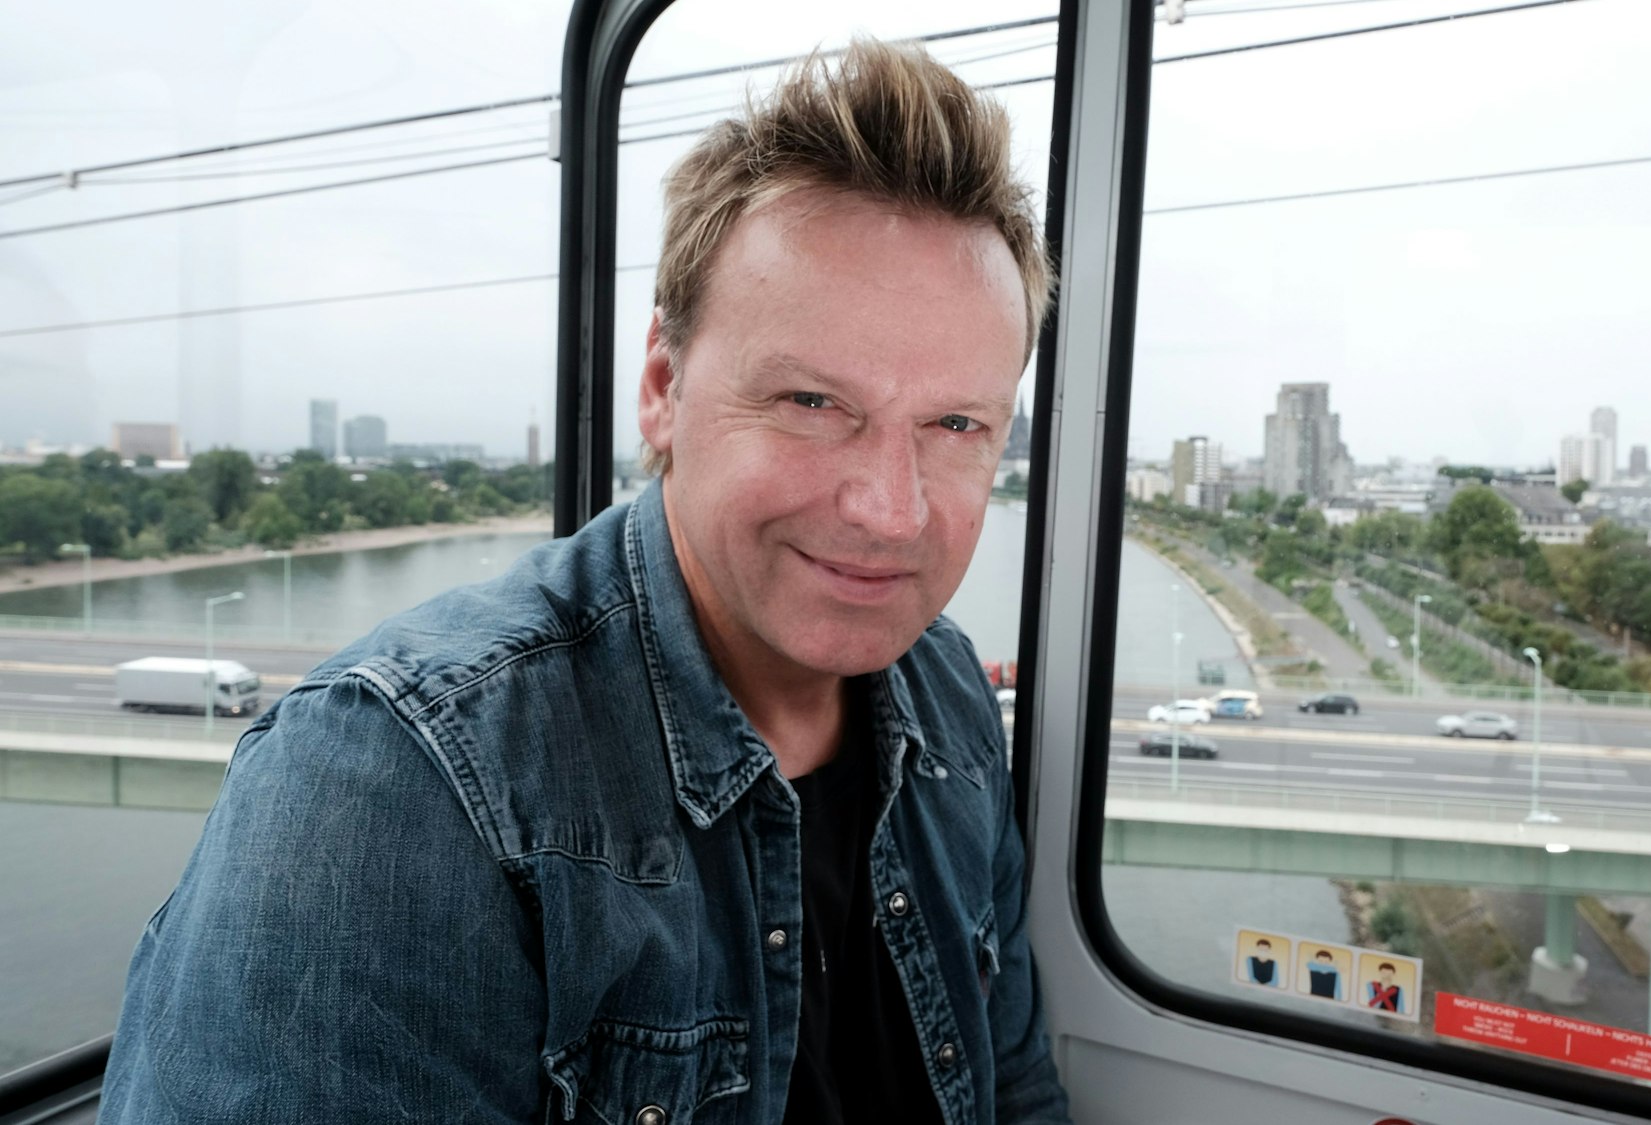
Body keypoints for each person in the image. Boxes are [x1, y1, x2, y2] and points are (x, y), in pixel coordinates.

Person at [99, 39, 1069, 1125]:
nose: (891, 510)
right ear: (662, 386)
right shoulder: (396, 794)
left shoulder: (944, 694)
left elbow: (1015, 1090)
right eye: (811, 402)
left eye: (955, 424)